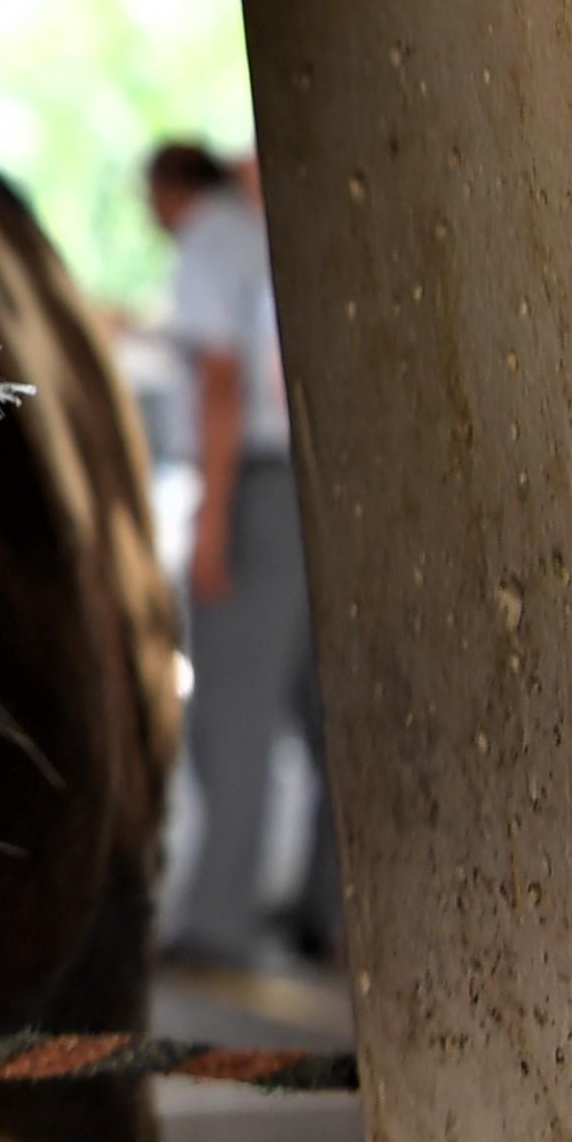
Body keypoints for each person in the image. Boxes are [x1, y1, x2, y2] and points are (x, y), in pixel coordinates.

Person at [150, 141, 334, 972]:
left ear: (169, 192)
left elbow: (220, 378)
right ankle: (329, 910)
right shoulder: (269, 228)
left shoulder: (211, 236)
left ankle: (217, 921)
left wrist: (211, 518)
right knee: (321, 711)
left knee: (231, 709)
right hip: (318, 480)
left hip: (255, 483)